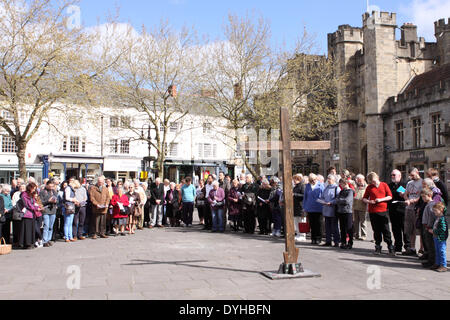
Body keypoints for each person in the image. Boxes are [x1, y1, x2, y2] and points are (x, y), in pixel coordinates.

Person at [363, 172, 395, 256]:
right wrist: (369, 201)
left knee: (386, 229)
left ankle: (390, 246)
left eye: (374, 181)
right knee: (376, 229)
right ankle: (378, 245)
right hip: (373, 211)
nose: (373, 183)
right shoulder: (369, 187)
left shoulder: (384, 185)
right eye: (371, 182)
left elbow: (390, 196)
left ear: (377, 177)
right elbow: (364, 198)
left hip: (382, 210)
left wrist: (380, 199)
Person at [402, 168, 423, 256]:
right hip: (409, 208)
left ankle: (422, 249)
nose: (411, 177)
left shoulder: (422, 182)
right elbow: (405, 194)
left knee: (419, 229)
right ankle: (412, 248)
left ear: (417, 172)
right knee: (410, 229)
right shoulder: (409, 183)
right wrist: (407, 199)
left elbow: (422, 195)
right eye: (410, 175)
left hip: (417, 208)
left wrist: (413, 200)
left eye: (413, 175)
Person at [388, 170, 408, 253]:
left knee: (405, 229)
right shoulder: (389, 185)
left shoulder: (404, 184)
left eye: (394, 175)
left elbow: (405, 196)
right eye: (391, 175)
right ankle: (398, 246)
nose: (392, 176)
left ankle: (408, 246)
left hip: (402, 210)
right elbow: (389, 195)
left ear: (399, 176)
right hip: (393, 210)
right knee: (395, 229)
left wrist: (400, 194)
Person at [303, 173, 324, 245]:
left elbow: (323, 196)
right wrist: (304, 207)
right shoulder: (308, 186)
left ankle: (318, 238)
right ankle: (313, 238)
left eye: (314, 179)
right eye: (312, 180)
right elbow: (305, 197)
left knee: (318, 223)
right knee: (312, 224)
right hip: (310, 207)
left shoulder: (320, 185)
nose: (313, 181)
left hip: (318, 207)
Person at [320, 175, 341, 247]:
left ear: (333, 180)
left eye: (330, 179)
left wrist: (331, 202)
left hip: (333, 210)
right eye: (328, 178)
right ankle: (328, 241)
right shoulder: (326, 188)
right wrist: (322, 201)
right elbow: (322, 197)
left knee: (334, 226)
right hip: (326, 209)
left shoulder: (337, 188)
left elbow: (338, 198)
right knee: (327, 226)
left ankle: (336, 241)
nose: (328, 180)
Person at [19, 183, 42, 249]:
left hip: (32, 214)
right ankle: (26, 243)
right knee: (27, 230)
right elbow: (27, 205)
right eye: (33, 188)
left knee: (31, 229)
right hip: (27, 215)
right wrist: (36, 208)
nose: (34, 190)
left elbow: (34, 203)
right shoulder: (24, 195)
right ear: (30, 188)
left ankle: (31, 242)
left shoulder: (31, 195)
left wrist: (37, 206)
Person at [420, 188, 438, 269]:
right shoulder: (428, 204)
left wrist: (429, 227)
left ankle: (432, 261)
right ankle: (430, 260)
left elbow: (433, 217)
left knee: (431, 245)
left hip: (429, 227)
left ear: (430, 195)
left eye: (424, 197)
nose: (423, 198)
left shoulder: (431, 205)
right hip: (426, 227)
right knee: (428, 244)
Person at [335, 179, 354, 249]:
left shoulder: (350, 191)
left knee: (349, 228)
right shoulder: (341, 191)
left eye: (341, 184)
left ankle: (350, 242)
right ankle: (343, 242)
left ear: (345, 183)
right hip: (341, 211)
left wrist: (340, 200)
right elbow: (337, 199)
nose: (340, 185)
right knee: (342, 228)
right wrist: (340, 200)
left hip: (347, 211)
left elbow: (347, 201)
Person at [39, 180, 58, 247]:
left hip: (53, 210)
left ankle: (49, 239)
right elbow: (41, 202)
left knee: (51, 226)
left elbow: (57, 200)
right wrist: (48, 201)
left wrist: (55, 201)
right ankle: (45, 240)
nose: (51, 187)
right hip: (46, 210)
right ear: (46, 185)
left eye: (52, 186)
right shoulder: (42, 192)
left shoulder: (54, 192)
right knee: (46, 226)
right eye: (50, 186)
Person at [431, 202, 448, 272]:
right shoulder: (438, 218)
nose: (434, 212)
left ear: (441, 210)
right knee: (437, 250)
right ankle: (437, 263)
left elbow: (443, 229)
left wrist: (434, 231)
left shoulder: (442, 219)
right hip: (436, 237)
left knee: (441, 251)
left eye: (435, 210)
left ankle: (443, 265)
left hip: (441, 238)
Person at [353, 174, 368, 241]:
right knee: (356, 222)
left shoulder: (367, 187)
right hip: (355, 206)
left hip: (363, 207)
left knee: (363, 222)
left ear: (363, 180)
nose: (359, 181)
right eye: (358, 180)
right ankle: (356, 234)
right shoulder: (356, 187)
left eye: (360, 180)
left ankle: (363, 235)